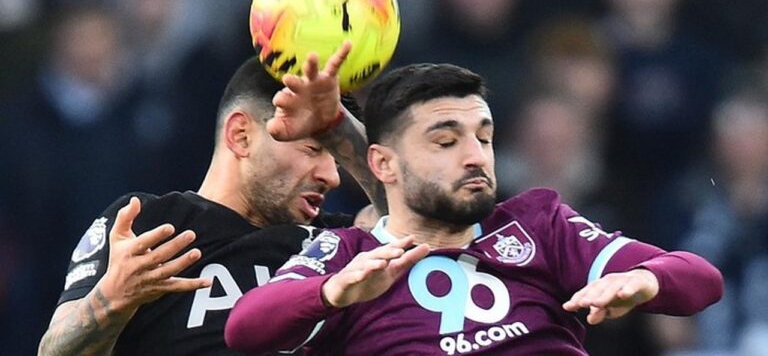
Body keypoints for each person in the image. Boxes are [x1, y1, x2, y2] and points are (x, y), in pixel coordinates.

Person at [225, 61, 724, 355]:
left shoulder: (540, 225)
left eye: (484, 138)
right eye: (446, 141)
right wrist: (333, 291)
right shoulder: (347, 254)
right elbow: (245, 328)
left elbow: (702, 280)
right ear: (383, 164)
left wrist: (645, 280)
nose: (475, 157)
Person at [37, 46, 373, 356]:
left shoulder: (337, 244)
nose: (332, 176)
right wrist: (111, 299)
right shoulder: (146, 226)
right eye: (313, 149)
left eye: (338, 157)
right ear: (240, 136)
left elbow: (412, 214)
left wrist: (340, 127)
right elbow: (53, 351)